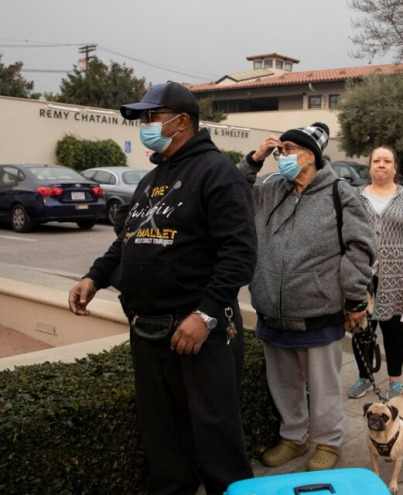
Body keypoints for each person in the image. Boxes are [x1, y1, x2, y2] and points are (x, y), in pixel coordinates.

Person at [67, 82, 257, 495]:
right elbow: (129, 239)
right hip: (148, 332)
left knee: (216, 440)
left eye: (150, 117)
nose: (144, 125)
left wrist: (205, 316)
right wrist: (94, 276)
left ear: (181, 121)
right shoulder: (152, 178)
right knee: (163, 441)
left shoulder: (217, 173)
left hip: (197, 334)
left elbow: (239, 255)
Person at [236, 122, 376, 471]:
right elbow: (231, 193)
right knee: (283, 384)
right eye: (279, 150)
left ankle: (328, 443)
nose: (281, 155)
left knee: (324, 386)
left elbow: (360, 249)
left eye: (288, 150)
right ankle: (293, 439)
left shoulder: (341, 194)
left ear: (310, 155)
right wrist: (253, 161)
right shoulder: (270, 190)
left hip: (319, 310)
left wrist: (356, 299)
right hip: (273, 310)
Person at [347, 146, 403, 400]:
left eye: (387, 161)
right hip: (361, 276)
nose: (381, 165)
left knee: (393, 329)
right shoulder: (354, 197)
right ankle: (365, 377)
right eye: (376, 160)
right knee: (361, 328)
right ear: (369, 166)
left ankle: (395, 379)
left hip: (398, 275)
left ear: (395, 167)